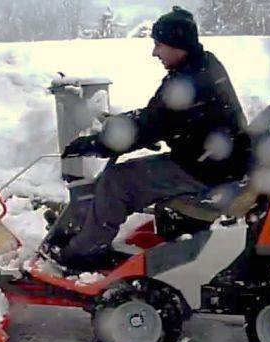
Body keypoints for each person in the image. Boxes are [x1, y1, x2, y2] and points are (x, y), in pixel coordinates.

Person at [54, 6, 249, 270]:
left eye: (158, 44)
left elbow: (153, 123)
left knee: (116, 182)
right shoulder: (202, 64)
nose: (154, 52)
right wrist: (127, 124)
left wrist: (94, 144)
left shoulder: (189, 83)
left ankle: (84, 254)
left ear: (177, 44)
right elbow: (157, 118)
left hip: (206, 170)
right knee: (127, 176)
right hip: (214, 159)